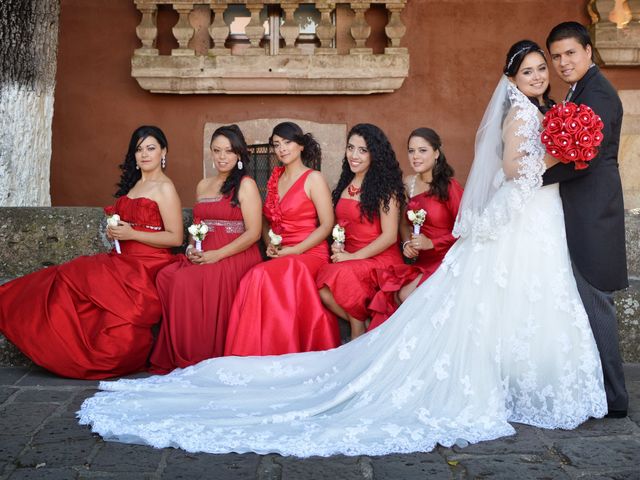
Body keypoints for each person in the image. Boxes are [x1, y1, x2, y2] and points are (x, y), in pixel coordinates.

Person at [78, 42, 606, 456]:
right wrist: (568, 159)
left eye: (545, 68)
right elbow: (516, 170)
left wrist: (563, 145)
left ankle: (520, 378)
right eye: (532, 70)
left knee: (526, 294)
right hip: (526, 206)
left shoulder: (547, 112)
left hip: (530, 217)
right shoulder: (522, 116)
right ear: (512, 79)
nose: (540, 76)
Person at [0, 126, 183, 379]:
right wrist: (116, 232)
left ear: (163, 151)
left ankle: (88, 358)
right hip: (121, 259)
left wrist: (132, 234)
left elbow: (175, 237)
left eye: (151, 148)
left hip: (147, 265)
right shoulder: (135, 185)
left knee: (118, 338)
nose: (144, 154)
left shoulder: (165, 188)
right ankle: (47, 341)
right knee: (65, 278)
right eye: (138, 149)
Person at [545, 22, 629, 418]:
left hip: (594, 212)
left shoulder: (598, 94)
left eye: (570, 54)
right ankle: (597, 388)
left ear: (588, 51)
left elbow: (583, 160)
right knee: (583, 301)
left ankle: (615, 397)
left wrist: (534, 177)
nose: (563, 63)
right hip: (582, 208)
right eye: (556, 56)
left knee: (596, 301)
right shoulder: (581, 89)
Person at [149, 125, 263, 373]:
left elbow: (253, 233)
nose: (222, 157)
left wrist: (217, 255)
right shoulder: (203, 185)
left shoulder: (246, 185)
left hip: (234, 253)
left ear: (239, 154)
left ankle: (198, 353)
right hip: (205, 251)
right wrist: (191, 248)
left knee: (186, 281)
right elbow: (197, 225)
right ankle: (183, 347)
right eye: (217, 151)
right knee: (168, 276)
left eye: (229, 151)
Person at [223, 122, 340, 356]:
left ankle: (276, 349)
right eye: (276, 144)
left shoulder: (313, 178)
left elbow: (327, 225)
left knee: (260, 274)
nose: (282, 149)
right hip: (284, 253)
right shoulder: (275, 179)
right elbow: (266, 220)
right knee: (251, 279)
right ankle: (255, 351)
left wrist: (295, 250)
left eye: (287, 142)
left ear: (300, 146)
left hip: (310, 253)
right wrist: (271, 245)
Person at [368, 128, 463, 330]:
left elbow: (465, 228)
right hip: (420, 260)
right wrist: (406, 243)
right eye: (411, 151)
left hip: (446, 257)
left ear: (436, 152)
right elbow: (403, 223)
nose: (415, 156)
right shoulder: (407, 183)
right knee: (393, 295)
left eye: (422, 150)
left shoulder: (450, 187)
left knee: (405, 295)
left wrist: (432, 243)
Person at [317, 123, 405, 339]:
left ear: (374, 154)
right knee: (322, 286)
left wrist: (353, 257)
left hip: (379, 257)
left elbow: (390, 236)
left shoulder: (386, 189)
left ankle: (357, 332)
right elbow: (343, 223)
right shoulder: (346, 182)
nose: (354, 155)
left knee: (339, 273)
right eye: (350, 148)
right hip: (352, 256)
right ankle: (363, 323)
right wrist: (339, 245)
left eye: (362, 150)